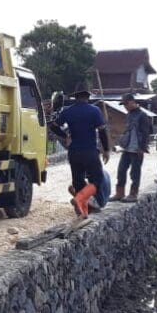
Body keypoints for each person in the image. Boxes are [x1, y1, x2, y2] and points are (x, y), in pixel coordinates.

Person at [49, 87, 111, 218]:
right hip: (90, 152)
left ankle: (83, 212)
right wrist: (106, 150)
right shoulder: (95, 111)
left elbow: (53, 126)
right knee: (97, 180)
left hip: (74, 152)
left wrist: (65, 136)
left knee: (78, 181)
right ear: (87, 97)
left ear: (75, 98)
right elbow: (102, 131)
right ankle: (81, 199)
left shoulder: (68, 111)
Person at [110, 92, 153, 203]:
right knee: (121, 170)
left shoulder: (142, 115)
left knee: (135, 172)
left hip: (137, 149)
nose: (125, 107)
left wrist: (142, 148)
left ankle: (133, 194)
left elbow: (145, 133)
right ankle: (120, 193)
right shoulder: (129, 115)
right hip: (127, 148)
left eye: (126, 104)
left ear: (132, 102)